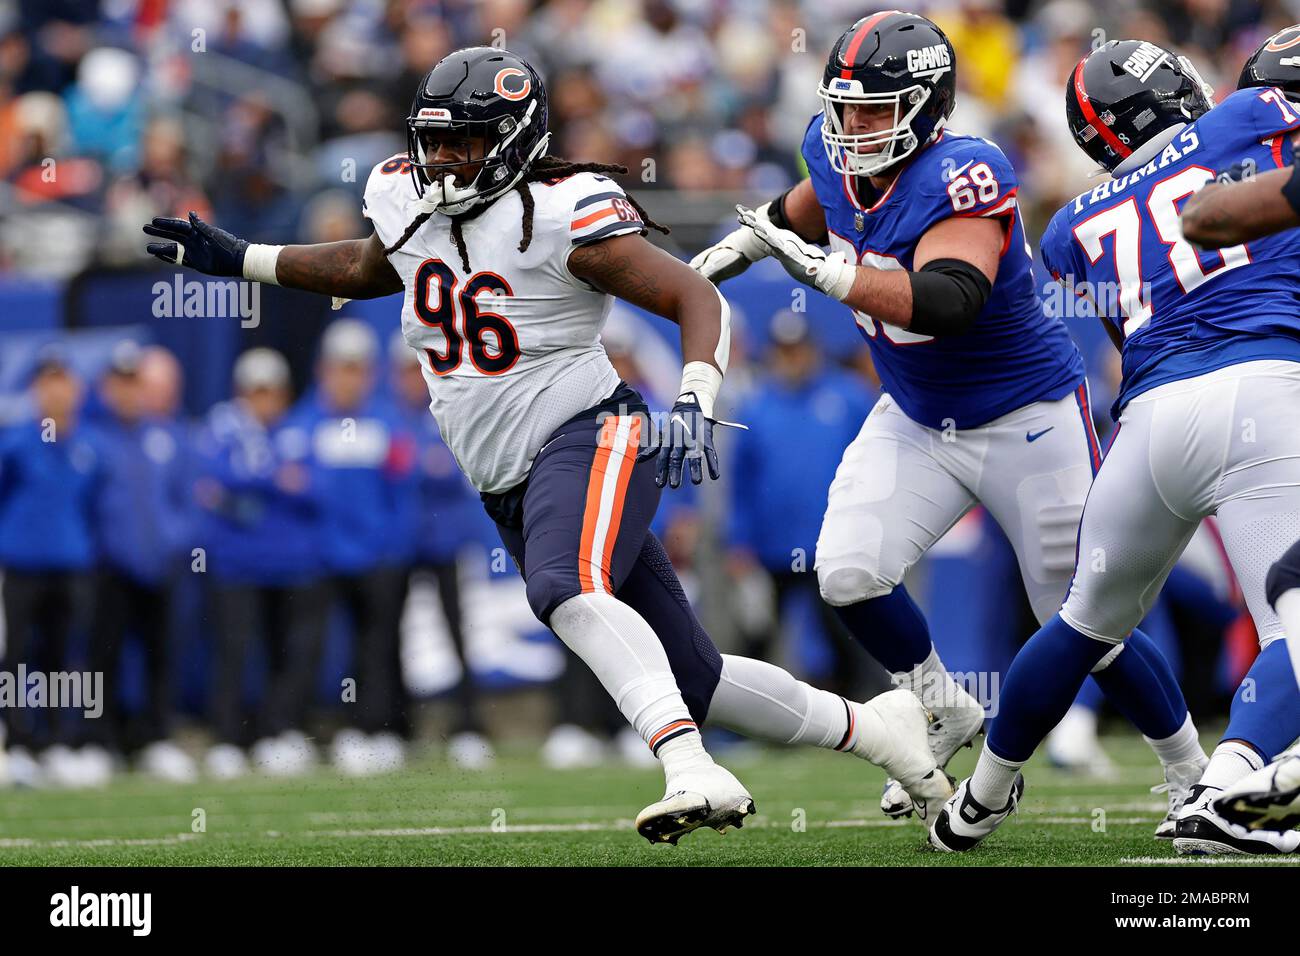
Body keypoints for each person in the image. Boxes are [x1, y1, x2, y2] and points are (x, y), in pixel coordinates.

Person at [143, 45, 952, 846]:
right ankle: (881, 730)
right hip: (509, 476)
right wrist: (241, 259)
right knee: (696, 677)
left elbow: (693, 293)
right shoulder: (401, 193)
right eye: (435, 140)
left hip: (593, 432)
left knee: (563, 586)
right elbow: (369, 265)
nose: (445, 160)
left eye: (466, 141)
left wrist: (697, 396)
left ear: (516, 139)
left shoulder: (565, 210)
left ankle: (689, 768)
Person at [692, 11, 1201, 830]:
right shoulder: (832, 150)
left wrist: (832, 274)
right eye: (843, 108)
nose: (851, 128)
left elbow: (949, 302)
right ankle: (945, 710)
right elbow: (798, 209)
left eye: (871, 110)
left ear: (925, 105)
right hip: (920, 413)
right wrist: (725, 256)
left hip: (1027, 415)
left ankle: (1191, 775)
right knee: (848, 572)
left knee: (1086, 619)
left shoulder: (966, 171)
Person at [931, 39, 1300, 855]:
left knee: (1080, 625)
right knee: (1293, 627)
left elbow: (1124, 322)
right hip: (1266, 391)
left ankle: (978, 802)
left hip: (1152, 420)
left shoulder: (1068, 227)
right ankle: (1220, 787)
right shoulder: (1255, 113)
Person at [282, 320, 414, 776]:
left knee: (375, 649)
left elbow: (402, 492)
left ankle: (370, 729)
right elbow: (286, 485)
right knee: (309, 647)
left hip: (376, 560)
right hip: (319, 559)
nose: (348, 378)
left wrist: (390, 549)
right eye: (342, 368)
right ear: (324, 370)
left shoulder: (386, 423)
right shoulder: (304, 423)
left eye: (357, 369)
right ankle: (294, 732)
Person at [194, 347, 327, 778]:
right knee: (234, 653)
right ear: (242, 393)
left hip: (290, 563)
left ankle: (278, 731)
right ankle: (229, 738)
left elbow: (315, 486)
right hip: (237, 564)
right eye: (257, 392)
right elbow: (213, 482)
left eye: (272, 392)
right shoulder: (222, 427)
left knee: (286, 653)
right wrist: (273, 479)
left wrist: (251, 486)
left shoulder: (297, 429)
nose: (265, 400)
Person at [84, 340, 196, 783]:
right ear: (107, 387)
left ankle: (156, 738)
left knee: (160, 656)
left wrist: (173, 542)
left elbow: (187, 500)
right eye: (121, 383)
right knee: (102, 657)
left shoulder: (164, 436)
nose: (129, 393)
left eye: (136, 383)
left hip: (159, 566)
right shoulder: (92, 438)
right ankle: (98, 741)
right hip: (108, 568)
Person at [389, 332, 496, 770]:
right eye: (406, 372)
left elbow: (459, 474)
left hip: (445, 541)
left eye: (418, 370)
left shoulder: (449, 412)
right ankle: (396, 730)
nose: (413, 380)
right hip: (397, 545)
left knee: (458, 634)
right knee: (387, 636)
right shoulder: (385, 418)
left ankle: (469, 726)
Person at [0, 345, 100, 787]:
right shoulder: (17, 444)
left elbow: (94, 507)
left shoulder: (86, 446)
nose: (58, 391)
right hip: (21, 567)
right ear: (36, 388)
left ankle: (60, 741)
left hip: (72, 567)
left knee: (63, 658)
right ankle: (17, 744)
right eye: (49, 381)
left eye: (64, 380)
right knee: (17, 658)